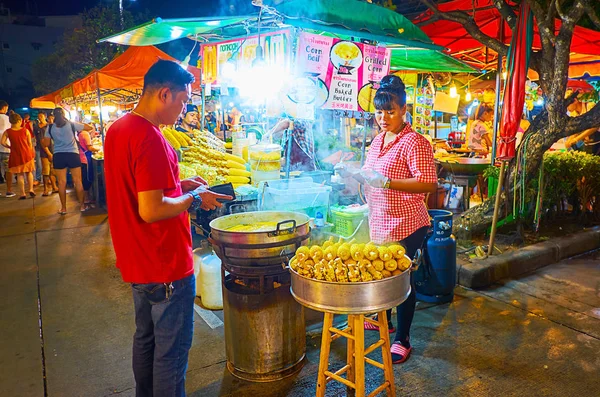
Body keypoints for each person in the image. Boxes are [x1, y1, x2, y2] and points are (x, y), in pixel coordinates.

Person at [104, 60, 232, 397]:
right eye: (184, 100)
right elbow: (151, 209)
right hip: (165, 266)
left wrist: (179, 183)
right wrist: (192, 196)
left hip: (137, 263)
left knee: (145, 342)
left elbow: (143, 188)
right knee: (171, 357)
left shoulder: (120, 129)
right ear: (164, 93)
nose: (185, 108)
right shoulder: (150, 137)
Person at [336, 75, 437, 364]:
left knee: (401, 280)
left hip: (407, 223)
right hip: (379, 220)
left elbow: (427, 183)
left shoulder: (415, 142)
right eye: (379, 112)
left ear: (404, 110)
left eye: (390, 111)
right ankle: (384, 320)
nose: (383, 118)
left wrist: (389, 183)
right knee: (382, 272)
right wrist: (353, 174)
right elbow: (372, 175)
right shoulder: (378, 139)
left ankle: (402, 339)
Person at [42, 107, 94, 214]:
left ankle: (63, 208)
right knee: (78, 181)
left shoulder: (50, 127)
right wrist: (77, 123)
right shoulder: (71, 124)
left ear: (53, 115)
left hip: (58, 155)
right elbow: (89, 127)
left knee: (61, 183)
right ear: (64, 114)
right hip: (73, 154)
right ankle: (82, 206)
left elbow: (46, 144)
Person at [1, 112, 36, 199]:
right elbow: (30, 144)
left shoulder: (8, 132)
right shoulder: (25, 130)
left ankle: (22, 193)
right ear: (19, 120)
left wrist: (9, 146)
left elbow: (2, 142)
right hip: (27, 154)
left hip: (15, 155)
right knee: (29, 173)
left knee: (20, 175)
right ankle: (31, 189)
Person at [77, 128, 100, 208]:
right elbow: (89, 148)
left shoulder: (80, 133)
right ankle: (86, 198)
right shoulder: (85, 134)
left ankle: (87, 197)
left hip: (81, 158)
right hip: (85, 158)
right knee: (87, 179)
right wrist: (98, 149)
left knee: (84, 178)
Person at [0, 100, 15, 196]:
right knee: (8, 170)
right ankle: (9, 190)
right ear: (4, 107)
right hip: (6, 149)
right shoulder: (7, 119)